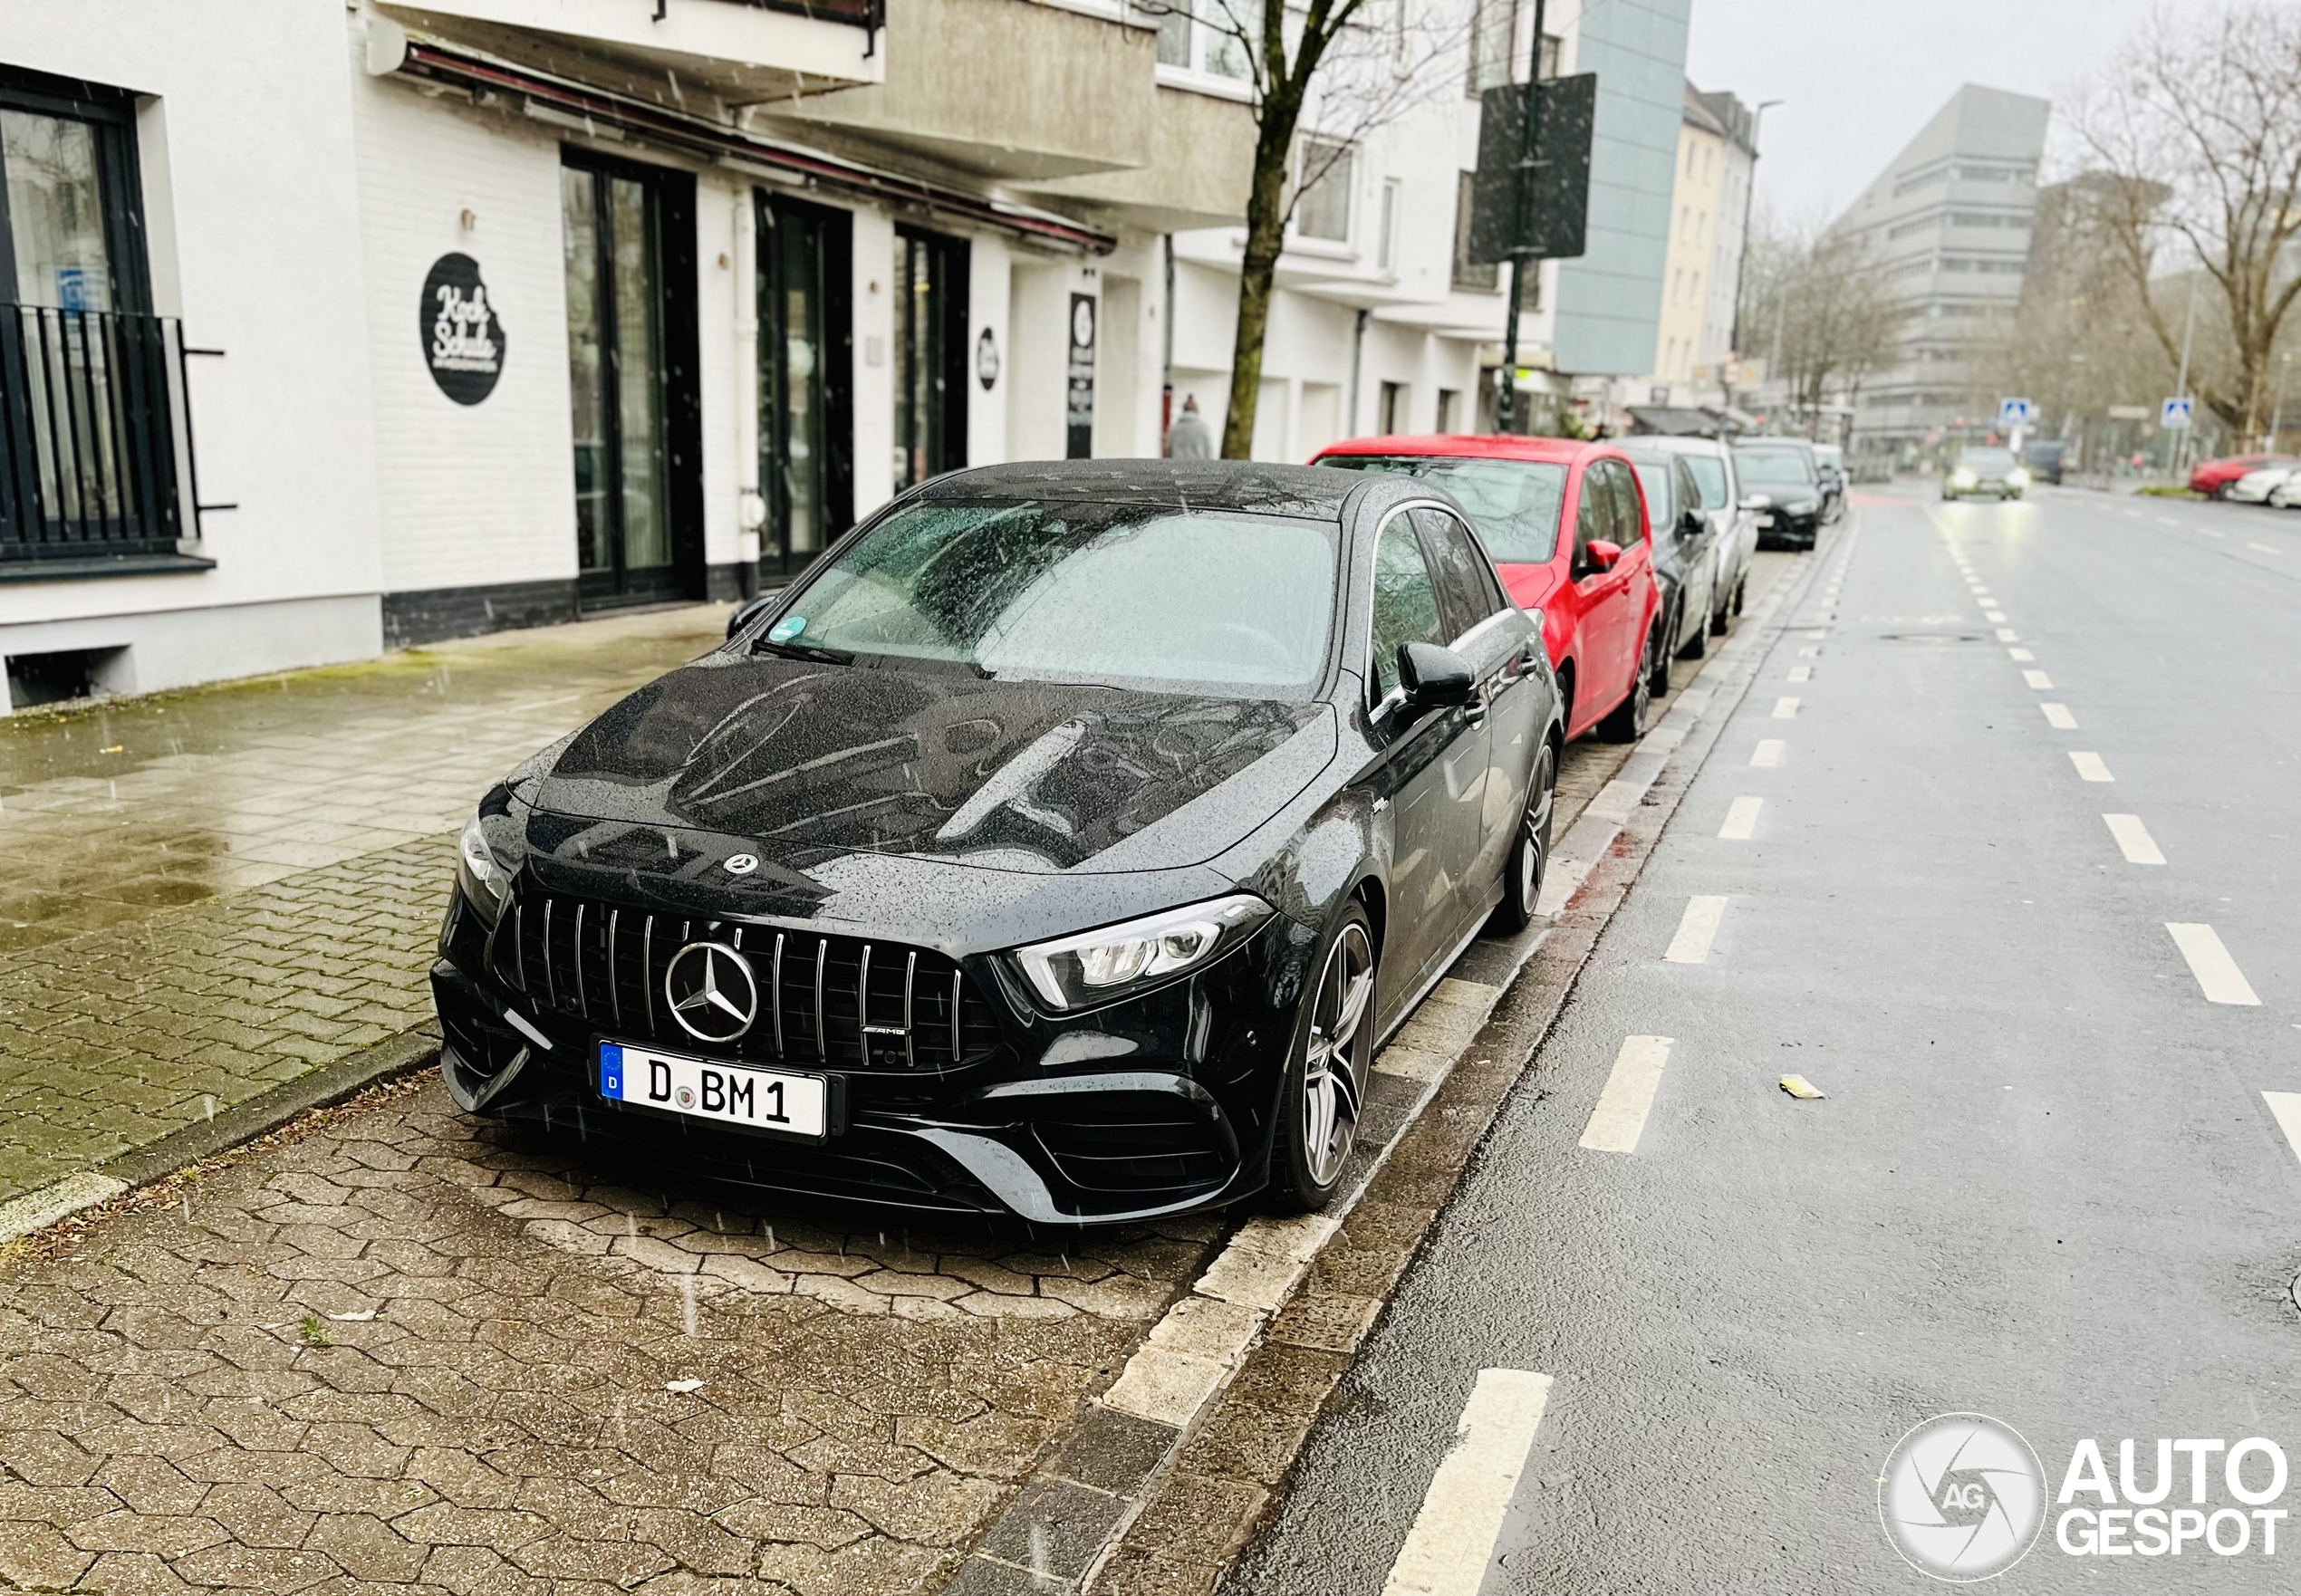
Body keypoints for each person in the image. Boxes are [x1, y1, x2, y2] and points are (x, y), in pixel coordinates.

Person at [1166, 394, 1214, 459]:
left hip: (1178, 467)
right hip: (1198, 468)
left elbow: (1169, 452)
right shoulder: (1203, 428)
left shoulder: (1174, 429)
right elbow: (1209, 453)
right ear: (1196, 410)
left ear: (1184, 410)